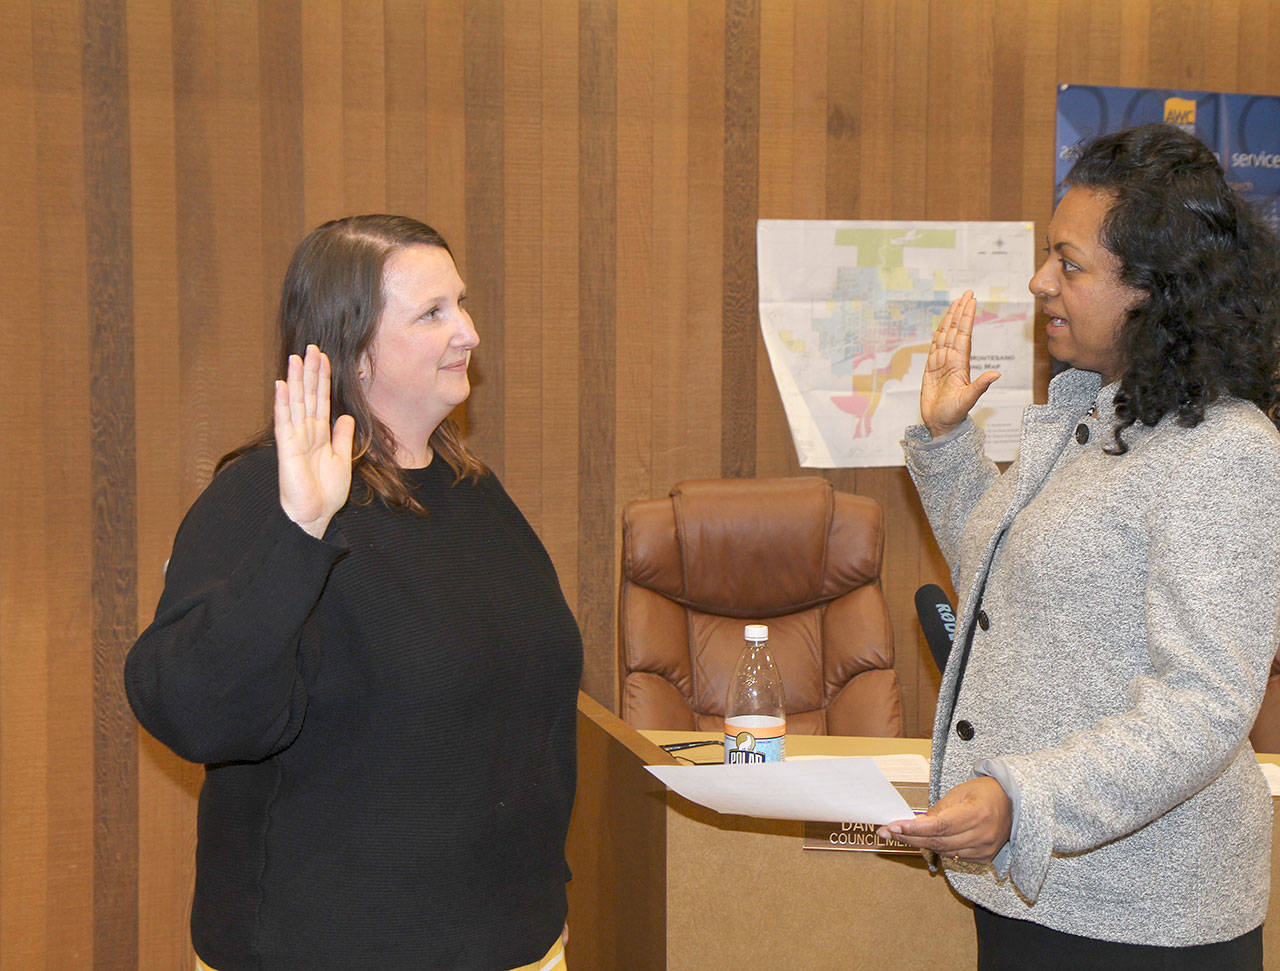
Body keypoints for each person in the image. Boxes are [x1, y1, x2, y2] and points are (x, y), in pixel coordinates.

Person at [125, 215, 583, 970]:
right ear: (354, 351)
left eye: (460, 304)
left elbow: (521, 729)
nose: (468, 331)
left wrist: (539, 909)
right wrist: (300, 531)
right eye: (432, 313)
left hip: (514, 947)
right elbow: (189, 707)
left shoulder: (476, 494)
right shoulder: (261, 498)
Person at [880, 124, 1280, 968]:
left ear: (1155, 291)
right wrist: (947, 441)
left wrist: (1026, 800)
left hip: (1145, 914)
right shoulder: (1095, 416)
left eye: (1069, 264)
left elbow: (1205, 703)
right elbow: (1008, 587)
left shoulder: (1226, 449)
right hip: (1038, 885)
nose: (1038, 282)